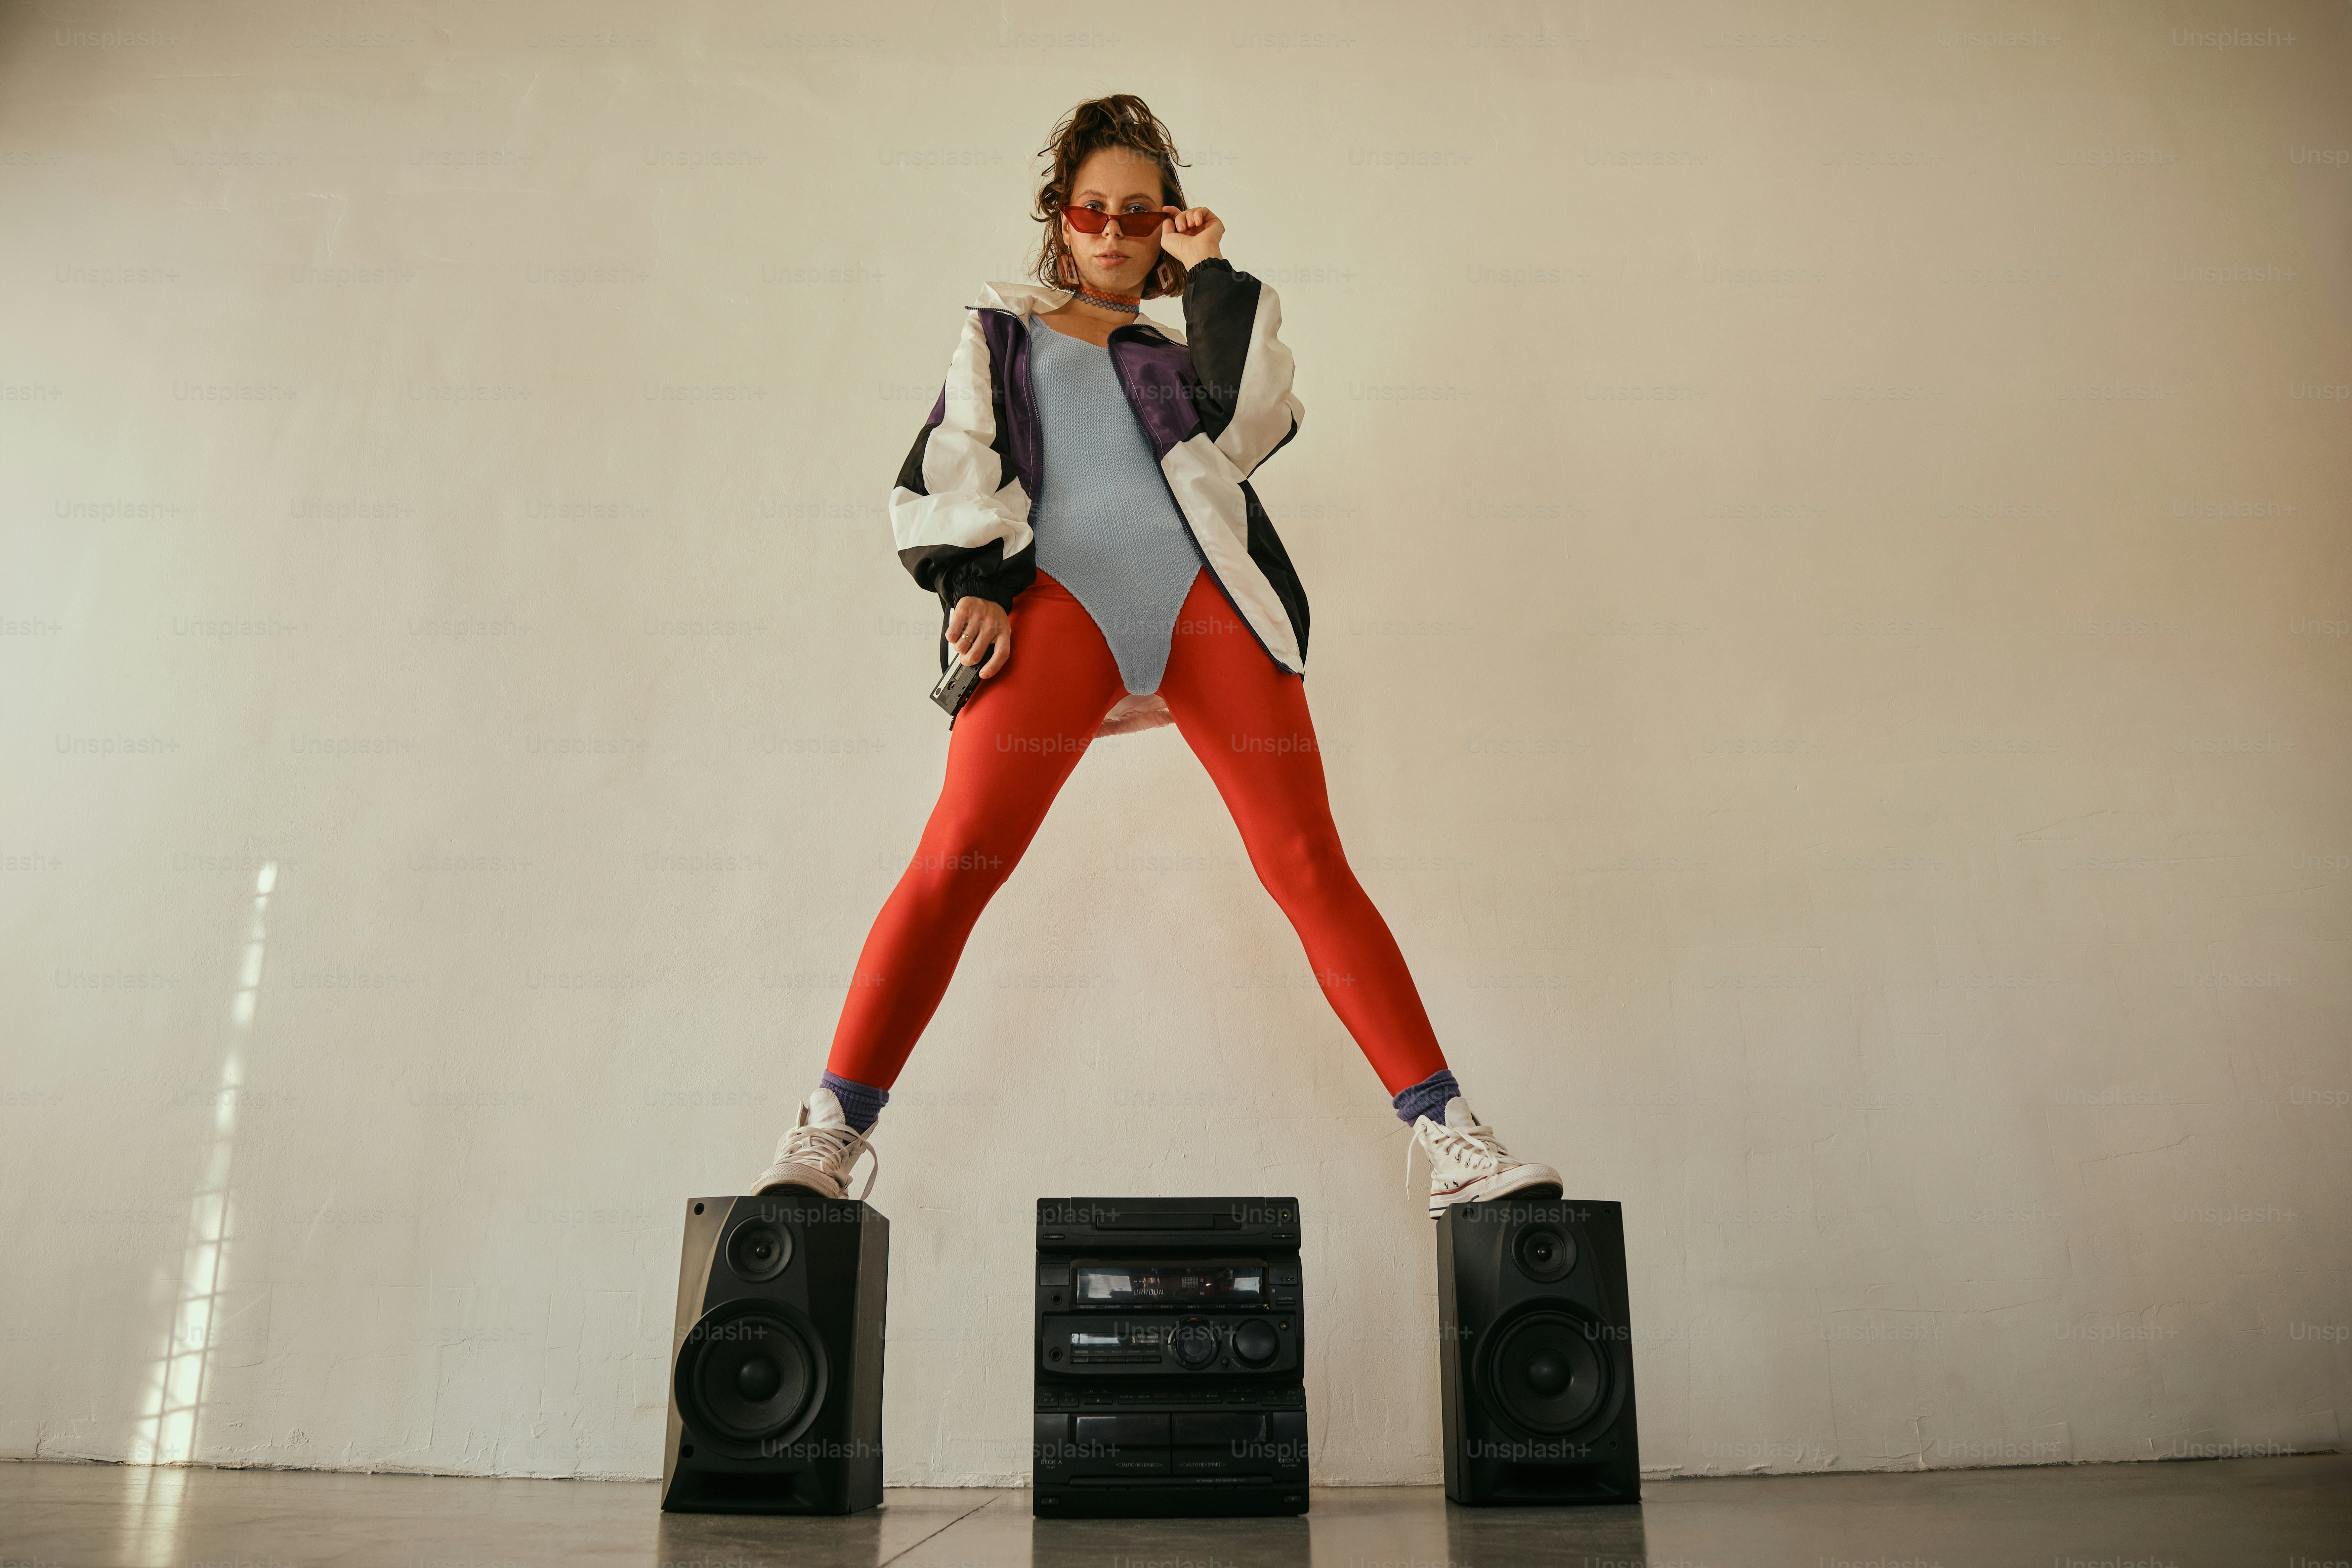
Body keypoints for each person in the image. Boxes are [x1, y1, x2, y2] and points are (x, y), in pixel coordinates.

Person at [753, 94, 1558, 1219]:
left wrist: (1211, 268)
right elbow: (954, 459)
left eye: (1142, 213)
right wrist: (973, 582)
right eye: (1094, 210)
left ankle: (1450, 1136)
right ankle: (832, 1128)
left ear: (1167, 223)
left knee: (1307, 860)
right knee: (961, 853)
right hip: (1060, 608)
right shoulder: (1003, 333)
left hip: (1206, 607)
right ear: (1061, 215)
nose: (1115, 231)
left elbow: (1255, 423)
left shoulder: (1183, 355)